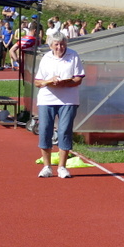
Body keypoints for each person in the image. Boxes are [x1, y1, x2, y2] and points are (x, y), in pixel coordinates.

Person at [34, 32, 85, 179]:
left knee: (64, 131)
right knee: (45, 130)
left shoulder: (73, 55)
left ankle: (62, 167)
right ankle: (47, 167)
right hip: (47, 99)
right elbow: (38, 82)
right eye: (56, 44)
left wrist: (65, 83)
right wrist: (49, 81)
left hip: (68, 100)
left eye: (62, 44)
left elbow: (78, 78)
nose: (59, 47)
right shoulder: (46, 58)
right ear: (51, 45)